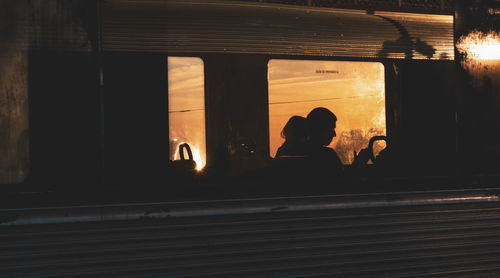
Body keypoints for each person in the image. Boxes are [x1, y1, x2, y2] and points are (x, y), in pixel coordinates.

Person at [306, 107, 343, 176]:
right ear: (319, 130)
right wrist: (359, 163)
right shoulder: (328, 156)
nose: (334, 134)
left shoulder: (291, 152)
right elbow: (343, 181)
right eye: (331, 129)